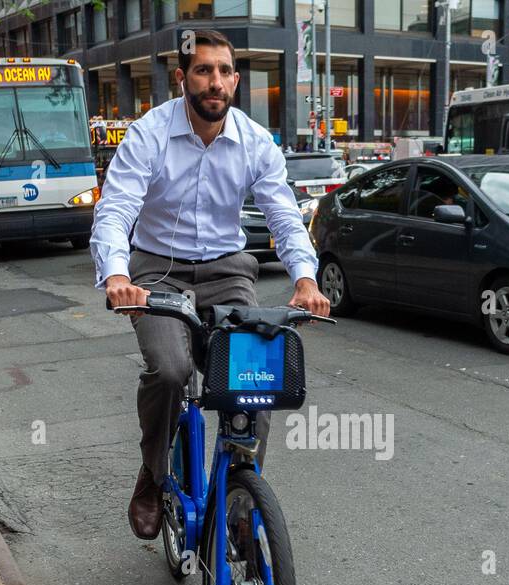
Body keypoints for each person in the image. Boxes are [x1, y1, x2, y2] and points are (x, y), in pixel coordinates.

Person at [92, 29, 331, 540]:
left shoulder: (253, 142)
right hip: (158, 269)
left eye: (224, 71)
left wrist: (305, 280)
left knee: (255, 384)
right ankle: (154, 476)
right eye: (203, 70)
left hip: (227, 270)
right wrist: (116, 275)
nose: (214, 81)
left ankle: (242, 502)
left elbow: (285, 217)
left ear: (236, 81)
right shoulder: (149, 134)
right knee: (172, 370)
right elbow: (115, 210)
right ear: (183, 78)